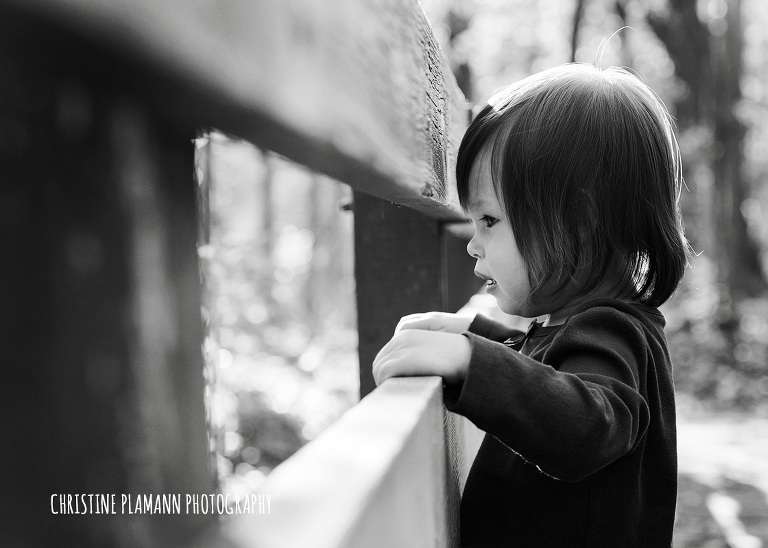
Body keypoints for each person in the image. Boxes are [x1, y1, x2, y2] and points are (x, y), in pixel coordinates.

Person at [372, 63, 690, 547]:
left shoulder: (613, 329)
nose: (472, 245)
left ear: (578, 221)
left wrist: (469, 360)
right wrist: (477, 336)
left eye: (489, 220)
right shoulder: (592, 325)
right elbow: (552, 366)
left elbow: (587, 424)